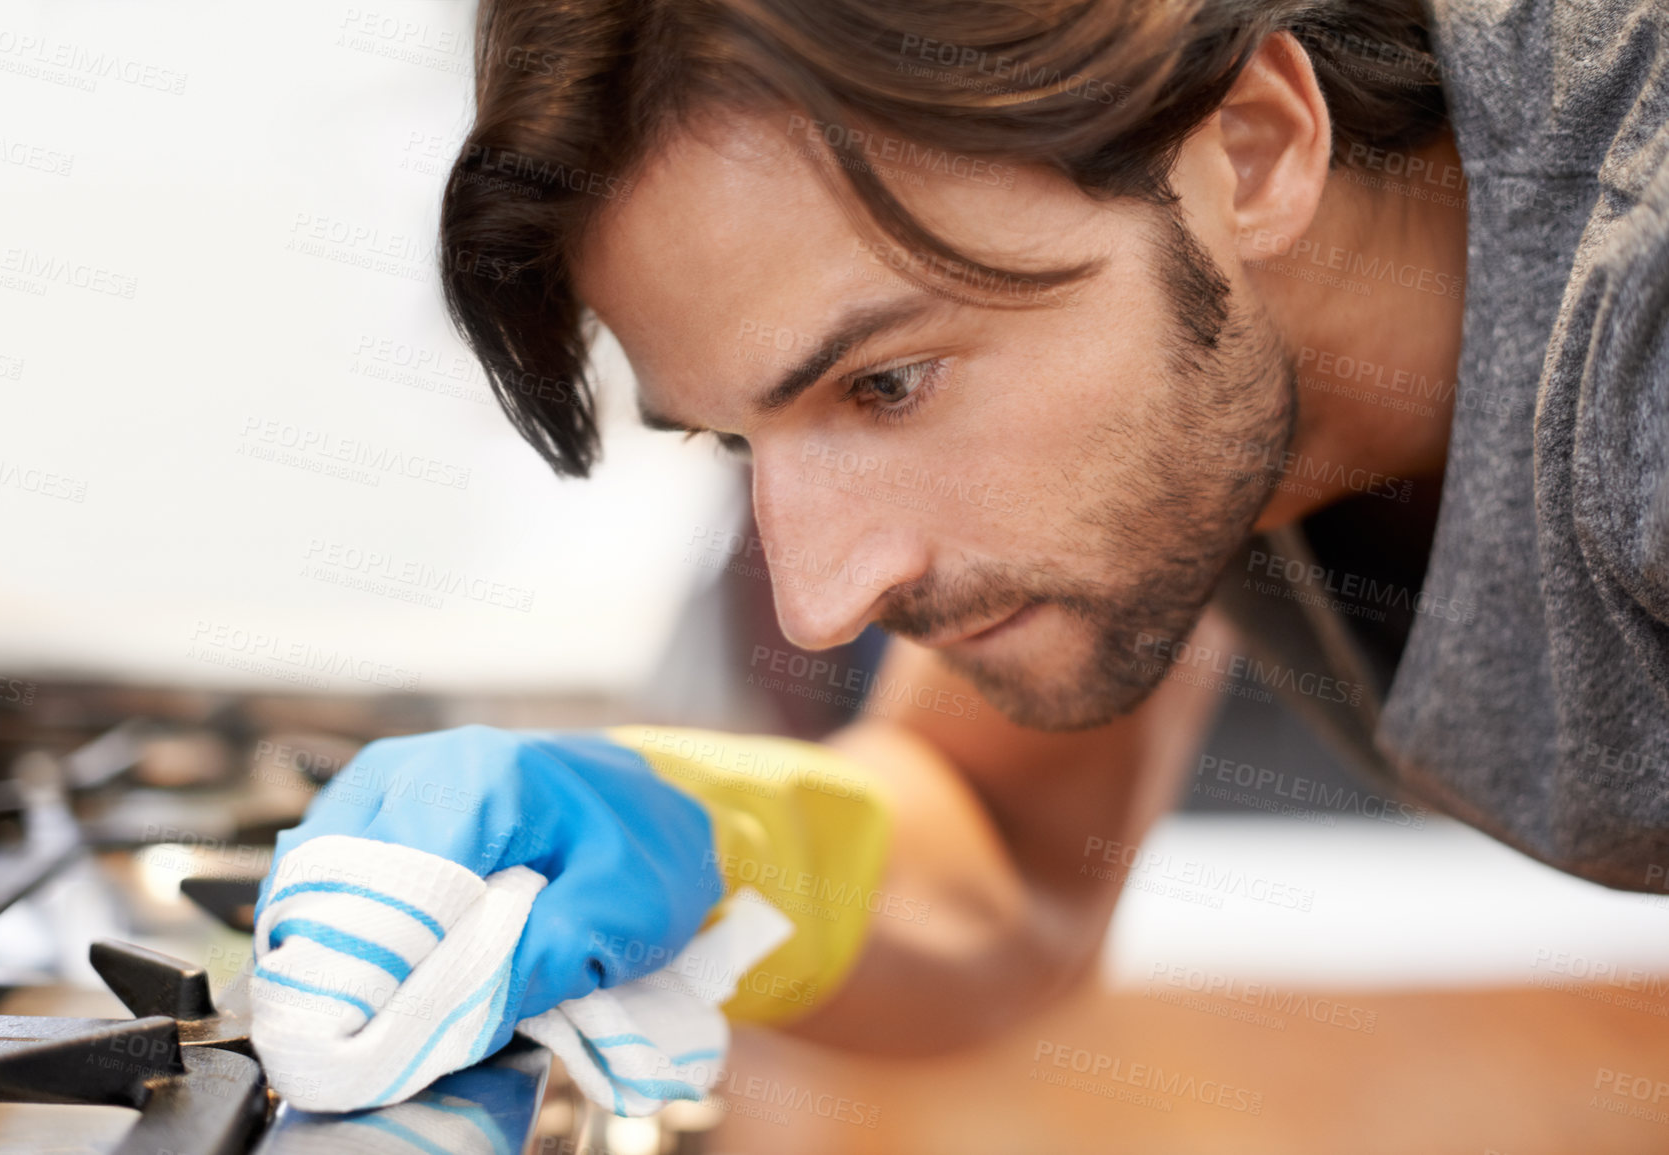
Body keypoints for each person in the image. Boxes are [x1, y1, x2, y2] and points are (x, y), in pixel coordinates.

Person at [259, 0, 1669, 1065]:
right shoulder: (1191, 331)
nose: (821, 602)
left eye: (884, 383)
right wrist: (699, 843)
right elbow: (1003, 846)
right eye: (744, 438)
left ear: (1250, 147)